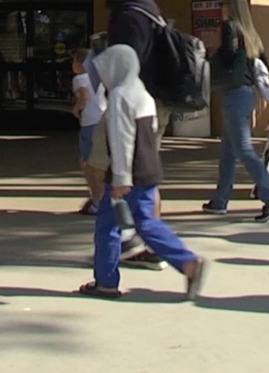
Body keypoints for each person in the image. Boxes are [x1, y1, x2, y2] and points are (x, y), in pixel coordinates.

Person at [76, 45, 207, 301]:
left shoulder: (120, 96)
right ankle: (187, 262)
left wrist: (120, 177)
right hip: (148, 169)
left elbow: (121, 138)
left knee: (107, 227)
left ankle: (106, 283)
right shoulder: (143, 94)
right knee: (146, 223)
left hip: (127, 174)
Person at [101, 0, 169, 268]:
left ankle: (148, 242)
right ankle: (144, 240)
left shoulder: (130, 17)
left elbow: (129, 62)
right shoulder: (147, 10)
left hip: (135, 102)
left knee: (137, 174)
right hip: (150, 101)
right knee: (146, 174)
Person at [201, 0, 269, 222]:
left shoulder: (230, 27)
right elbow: (264, 64)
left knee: (243, 149)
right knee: (229, 150)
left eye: (224, 5)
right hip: (247, 93)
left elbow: (227, 57)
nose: (221, 9)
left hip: (233, 93)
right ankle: (220, 200)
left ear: (231, 8)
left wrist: (211, 57)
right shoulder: (251, 34)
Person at [70, 48, 107, 216]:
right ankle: (100, 198)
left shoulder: (79, 78)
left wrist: (76, 109)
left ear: (80, 64)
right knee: (98, 161)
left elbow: (83, 96)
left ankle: (97, 198)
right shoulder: (99, 77)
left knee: (88, 163)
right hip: (102, 118)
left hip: (89, 122)